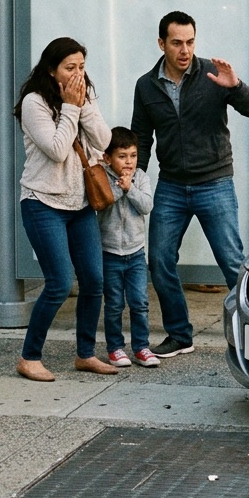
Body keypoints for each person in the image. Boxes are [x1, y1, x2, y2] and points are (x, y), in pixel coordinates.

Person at [132, 11, 249, 357]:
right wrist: (135, 179)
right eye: (177, 43)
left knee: (232, 263)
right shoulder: (146, 85)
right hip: (171, 185)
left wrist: (235, 86)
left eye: (190, 42)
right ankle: (179, 334)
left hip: (214, 181)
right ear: (161, 43)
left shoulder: (212, 75)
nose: (185, 50)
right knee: (159, 260)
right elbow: (141, 137)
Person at [14, 37, 116, 382]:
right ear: (51, 69)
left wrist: (82, 105)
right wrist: (71, 107)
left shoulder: (83, 94)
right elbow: (57, 150)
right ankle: (29, 357)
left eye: (81, 67)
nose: (77, 74)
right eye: (70, 67)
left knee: (94, 281)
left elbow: (104, 140)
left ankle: (85, 354)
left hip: (81, 203)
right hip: (42, 202)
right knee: (58, 283)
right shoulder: (34, 102)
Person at [98, 127, 157, 369]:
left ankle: (141, 346)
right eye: (122, 156)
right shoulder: (101, 176)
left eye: (132, 155)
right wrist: (119, 188)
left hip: (135, 253)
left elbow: (146, 206)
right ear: (107, 158)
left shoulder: (140, 177)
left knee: (139, 302)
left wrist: (129, 188)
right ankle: (115, 348)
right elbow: (100, 203)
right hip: (110, 252)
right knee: (114, 304)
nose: (128, 162)